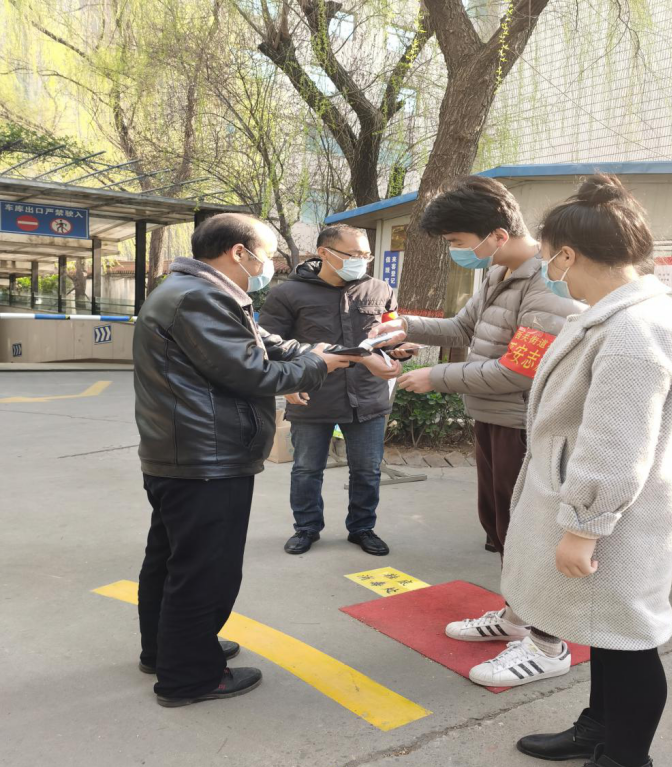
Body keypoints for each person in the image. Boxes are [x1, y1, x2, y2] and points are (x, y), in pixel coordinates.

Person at [501, 174, 672, 767]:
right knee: (605, 632)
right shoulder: (615, 316)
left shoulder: (634, 329)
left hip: (614, 517)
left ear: (568, 254)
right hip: (608, 510)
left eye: (549, 257)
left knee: (628, 639)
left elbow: (617, 441)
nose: (550, 270)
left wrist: (584, 525)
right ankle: (599, 728)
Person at [133, 213, 363, 707]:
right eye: (269, 254)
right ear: (239, 252)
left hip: (185, 452)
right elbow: (253, 372)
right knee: (205, 571)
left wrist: (320, 354)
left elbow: (261, 345)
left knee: (173, 561)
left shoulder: (197, 291)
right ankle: (189, 677)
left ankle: (168, 651)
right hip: (207, 457)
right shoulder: (201, 298)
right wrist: (316, 366)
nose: (272, 265)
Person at [369, 176, 585, 687]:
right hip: (493, 418)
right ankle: (517, 617)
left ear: (497, 234)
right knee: (502, 526)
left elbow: (520, 371)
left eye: (457, 241)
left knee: (530, 535)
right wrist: (405, 326)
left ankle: (548, 644)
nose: (455, 251)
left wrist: (434, 377)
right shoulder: (498, 271)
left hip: (524, 427)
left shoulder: (546, 285)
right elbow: (464, 329)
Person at [259, 224, 402, 557]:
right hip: (313, 395)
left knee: (367, 469)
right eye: (354, 254)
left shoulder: (380, 290)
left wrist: (399, 353)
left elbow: (390, 337)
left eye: (366, 255)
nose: (362, 261)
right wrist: (289, 383)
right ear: (324, 253)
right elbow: (268, 344)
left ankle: (362, 528)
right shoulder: (288, 293)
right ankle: (306, 528)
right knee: (307, 469)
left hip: (367, 396)